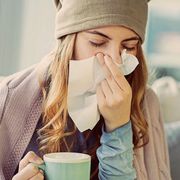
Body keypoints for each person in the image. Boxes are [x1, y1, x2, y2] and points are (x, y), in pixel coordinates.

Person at [0, 0, 171, 179]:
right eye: (97, 42)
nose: (116, 60)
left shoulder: (146, 103)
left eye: (129, 47)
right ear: (68, 41)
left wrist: (118, 127)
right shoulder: (8, 100)